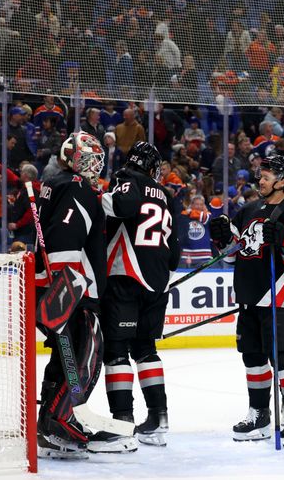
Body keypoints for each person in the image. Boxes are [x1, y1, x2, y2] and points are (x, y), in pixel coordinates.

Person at [35, 133, 133, 457]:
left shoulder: (55, 182)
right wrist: (67, 294)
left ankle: (50, 422)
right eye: (88, 160)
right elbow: (65, 243)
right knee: (85, 357)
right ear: (71, 156)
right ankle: (61, 419)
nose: (93, 167)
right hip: (73, 292)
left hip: (58, 289)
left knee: (64, 358)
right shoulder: (77, 187)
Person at [209, 154, 284, 448]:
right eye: (261, 174)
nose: (260, 179)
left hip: (279, 295)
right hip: (248, 295)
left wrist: (283, 237)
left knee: (282, 358)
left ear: (282, 181)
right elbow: (232, 256)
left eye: (267, 175)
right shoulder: (248, 210)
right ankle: (259, 413)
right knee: (253, 358)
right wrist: (221, 240)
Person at [100, 142, 181, 447]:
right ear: (153, 167)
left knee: (117, 350)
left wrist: (99, 198)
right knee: (145, 348)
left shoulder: (126, 178)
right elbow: (175, 252)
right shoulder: (167, 196)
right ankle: (158, 419)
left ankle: (122, 424)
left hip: (126, 275)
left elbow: (123, 207)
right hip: (157, 281)